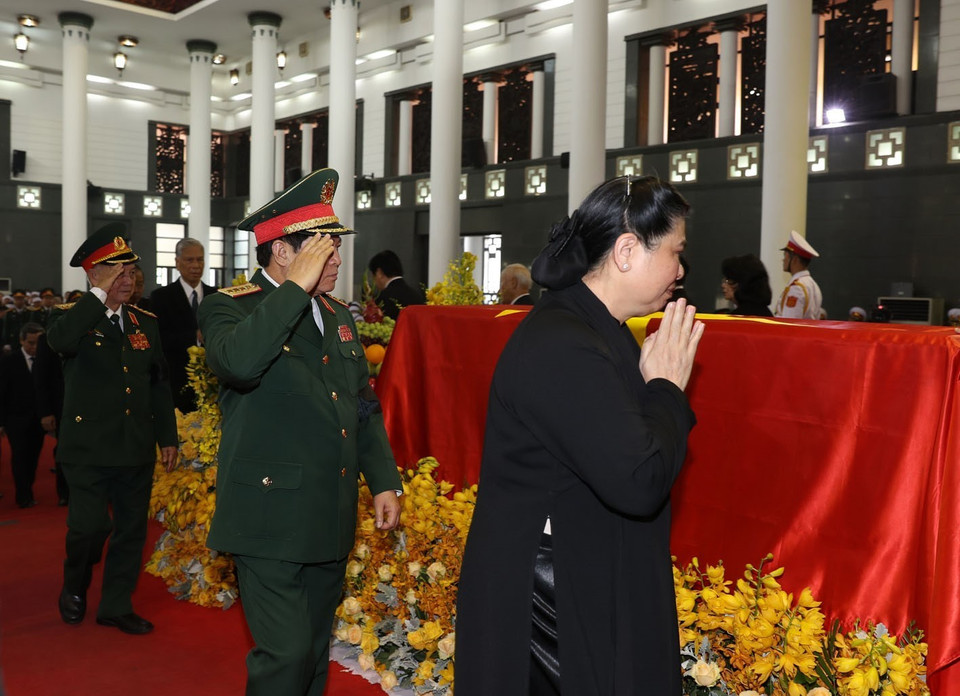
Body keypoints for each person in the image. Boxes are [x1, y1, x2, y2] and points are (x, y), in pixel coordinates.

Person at [456, 175, 704, 695]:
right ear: (628, 250)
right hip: (550, 598)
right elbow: (639, 480)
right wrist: (665, 388)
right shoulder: (562, 342)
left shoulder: (597, 328)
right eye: (676, 253)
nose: (681, 271)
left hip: (583, 569)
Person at [198, 169, 402, 696]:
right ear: (283, 254)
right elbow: (239, 364)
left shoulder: (338, 316)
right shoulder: (230, 305)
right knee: (284, 656)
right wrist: (292, 291)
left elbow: (363, 406)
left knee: (312, 653)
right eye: (324, 250)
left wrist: (383, 479)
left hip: (326, 511)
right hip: (266, 517)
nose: (338, 261)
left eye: (336, 249)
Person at [46, 223, 178, 635]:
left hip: (134, 446)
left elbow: (158, 382)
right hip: (87, 449)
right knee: (89, 527)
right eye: (117, 272)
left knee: (130, 533)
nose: (129, 279)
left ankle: (116, 604)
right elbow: (61, 343)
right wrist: (97, 296)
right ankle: (75, 581)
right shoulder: (73, 318)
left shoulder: (145, 323)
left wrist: (168, 436)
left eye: (131, 271)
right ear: (94, 276)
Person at [149, 239, 216, 413]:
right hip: (175, 383)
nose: (196, 265)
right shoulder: (161, 297)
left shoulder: (216, 296)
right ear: (177, 263)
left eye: (200, 260)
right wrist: (195, 337)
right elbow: (159, 339)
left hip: (213, 385)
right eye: (189, 260)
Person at [0, 322, 46, 508]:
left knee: (33, 457)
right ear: (21, 341)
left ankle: (28, 488)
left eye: (38, 343)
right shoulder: (8, 361)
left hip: (39, 419)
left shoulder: (46, 360)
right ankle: (23, 496)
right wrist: (1, 421)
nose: (34, 348)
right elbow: (2, 393)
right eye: (30, 343)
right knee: (19, 456)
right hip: (15, 419)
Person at [774, 230, 822, 319]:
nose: (783, 260)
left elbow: (789, 324)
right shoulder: (813, 285)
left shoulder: (796, 288)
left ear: (795, 259)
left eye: (786, 256)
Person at [367, 249, 425, 320]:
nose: (374, 282)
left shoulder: (383, 298)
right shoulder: (417, 296)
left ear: (379, 273)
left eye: (373, 276)